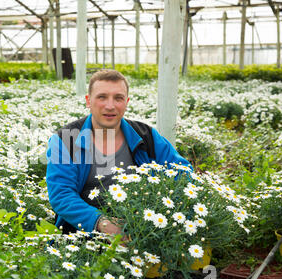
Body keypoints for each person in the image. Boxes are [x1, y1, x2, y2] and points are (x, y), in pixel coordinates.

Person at [46, 69, 191, 237]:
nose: (110, 105)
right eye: (102, 97)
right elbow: (62, 195)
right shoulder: (65, 140)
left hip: (143, 230)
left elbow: (183, 171)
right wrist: (102, 222)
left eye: (118, 98)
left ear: (126, 102)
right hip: (84, 235)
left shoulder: (146, 136)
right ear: (88, 101)